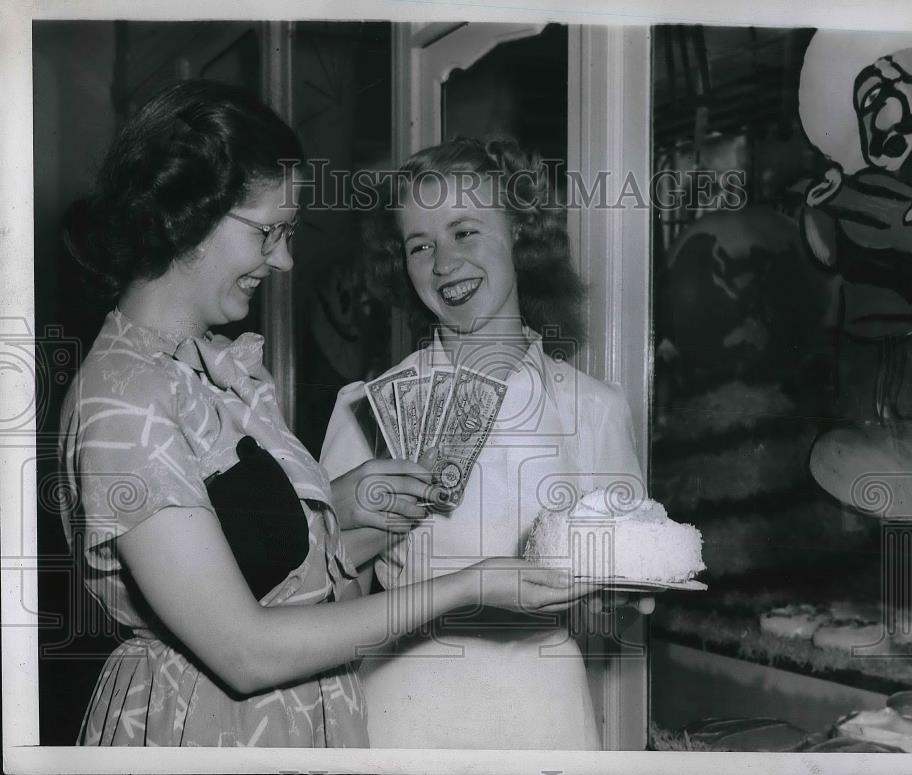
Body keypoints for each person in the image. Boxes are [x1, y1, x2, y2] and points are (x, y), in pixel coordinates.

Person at [58, 81, 593, 748]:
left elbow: (264, 570)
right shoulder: (124, 397)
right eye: (271, 232)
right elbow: (245, 649)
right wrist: (468, 585)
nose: (285, 260)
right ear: (186, 213)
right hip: (205, 729)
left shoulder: (205, 369)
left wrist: (346, 509)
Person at [320, 137, 647, 749]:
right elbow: (330, 594)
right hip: (403, 705)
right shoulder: (368, 408)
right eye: (420, 245)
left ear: (521, 232)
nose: (443, 263)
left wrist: (622, 592)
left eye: (464, 232)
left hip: (544, 709)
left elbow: (613, 606)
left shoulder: (595, 409)